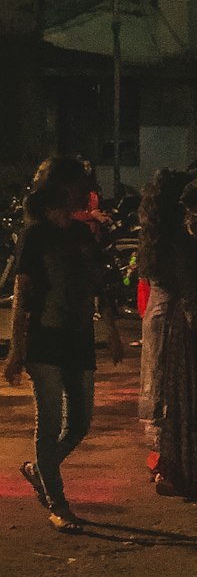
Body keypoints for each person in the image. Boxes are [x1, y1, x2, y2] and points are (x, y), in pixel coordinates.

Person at [4, 155, 124, 532]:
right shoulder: (35, 234)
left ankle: (39, 469)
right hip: (45, 338)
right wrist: (16, 351)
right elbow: (23, 293)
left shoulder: (79, 234)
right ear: (62, 188)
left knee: (80, 423)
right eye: (80, 185)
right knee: (50, 422)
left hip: (79, 338)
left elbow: (98, 285)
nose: (87, 193)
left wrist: (113, 331)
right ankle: (58, 503)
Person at [137, 169, 197, 499]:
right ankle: (176, 474)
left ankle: (168, 467)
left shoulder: (154, 236)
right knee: (182, 401)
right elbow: (190, 293)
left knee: (167, 398)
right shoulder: (182, 240)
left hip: (158, 318)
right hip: (179, 324)